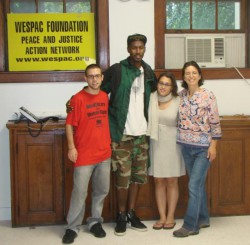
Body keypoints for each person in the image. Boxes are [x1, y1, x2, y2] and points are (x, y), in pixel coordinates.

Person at [101, 33, 157, 236]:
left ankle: (132, 213)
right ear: (128, 49)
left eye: (141, 47)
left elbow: (157, 97)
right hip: (122, 135)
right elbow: (99, 90)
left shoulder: (149, 72)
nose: (138, 51)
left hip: (142, 134)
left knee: (137, 178)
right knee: (122, 179)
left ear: (144, 49)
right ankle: (121, 215)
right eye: (134, 47)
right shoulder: (117, 70)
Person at [62, 64, 111, 244]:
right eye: (91, 76)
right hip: (84, 155)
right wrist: (71, 147)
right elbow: (69, 124)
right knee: (79, 193)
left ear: (102, 78)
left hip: (104, 153)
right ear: (85, 78)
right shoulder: (77, 99)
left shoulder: (105, 96)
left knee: (101, 191)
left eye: (97, 76)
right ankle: (72, 227)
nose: (94, 79)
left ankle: (95, 222)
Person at [173, 61, 222, 238]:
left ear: (200, 75)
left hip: (203, 148)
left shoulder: (208, 95)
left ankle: (190, 225)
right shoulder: (181, 95)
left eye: (194, 73)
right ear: (184, 76)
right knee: (198, 185)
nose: (191, 76)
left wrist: (214, 145)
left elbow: (215, 122)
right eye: (187, 73)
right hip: (186, 147)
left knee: (193, 185)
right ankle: (203, 218)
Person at [146, 72, 185, 230]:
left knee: (172, 180)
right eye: (161, 83)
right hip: (156, 143)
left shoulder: (178, 100)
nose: (163, 86)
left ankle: (171, 216)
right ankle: (162, 216)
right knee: (159, 180)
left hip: (174, 144)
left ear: (172, 87)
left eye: (167, 84)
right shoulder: (151, 98)